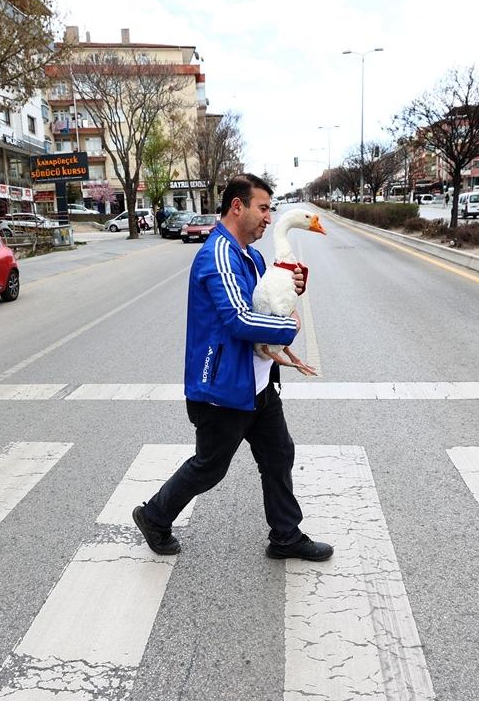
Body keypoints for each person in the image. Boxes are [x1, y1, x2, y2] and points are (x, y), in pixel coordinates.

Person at [132, 173, 333, 562]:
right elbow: (239, 319)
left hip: (257, 383)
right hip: (223, 388)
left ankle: (286, 536)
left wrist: (292, 288)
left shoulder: (251, 255)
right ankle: (154, 516)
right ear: (237, 206)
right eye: (262, 208)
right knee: (209, 467)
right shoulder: (217, 254)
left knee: (279, 455)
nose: (268, 218)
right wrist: (287, 328)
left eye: (271, 210)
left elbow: (265, 301)